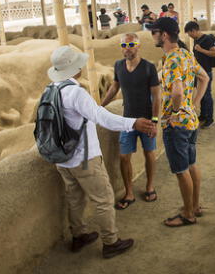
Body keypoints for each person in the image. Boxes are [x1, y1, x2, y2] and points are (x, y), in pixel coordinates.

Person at [46, 45, 155, 258]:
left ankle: (79, 235)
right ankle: (111, 242)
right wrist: (133, 123)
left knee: (75, 198)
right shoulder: (76, 93)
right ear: (75, 68)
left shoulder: (50, 90)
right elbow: (101, 117)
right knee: (104, 199)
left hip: (61, 158)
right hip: (83, 157)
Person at [149, 17, 210, 227]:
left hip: (177, 125)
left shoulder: (171, 60)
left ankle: (187, 214)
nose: (153, 36)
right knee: (192, 165)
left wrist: (174, 114)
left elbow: (176, 91)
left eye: (154, 32)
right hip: (190, 121)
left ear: (164, 35)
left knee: (181, 169)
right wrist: (193, 104)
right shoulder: (185, 54)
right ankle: (195, 206)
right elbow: (204, 78)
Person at [101, 33, 161, 209]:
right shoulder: (118, 65)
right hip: (127, 120)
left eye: (131, 44)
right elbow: (115, 87)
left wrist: (155, 121)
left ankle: (149, 186)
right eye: (124, 45)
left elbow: (156, 97)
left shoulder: (149, 68)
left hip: (147, 119)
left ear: (138, 45)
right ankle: (129, 192)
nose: (127, 48)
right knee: (124, 156)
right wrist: (101, 106)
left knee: (149, 153)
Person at [185, 21, 215, 128]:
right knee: (202, 95)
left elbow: (214, 53)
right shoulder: (196, 40)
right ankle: (203, 116)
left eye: (190, 34)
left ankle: (210, 119)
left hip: (206, 72)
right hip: (199, 72)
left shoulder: (207, 39)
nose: (190, 36)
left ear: (194, 30)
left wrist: (201, 50)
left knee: (207, 95)